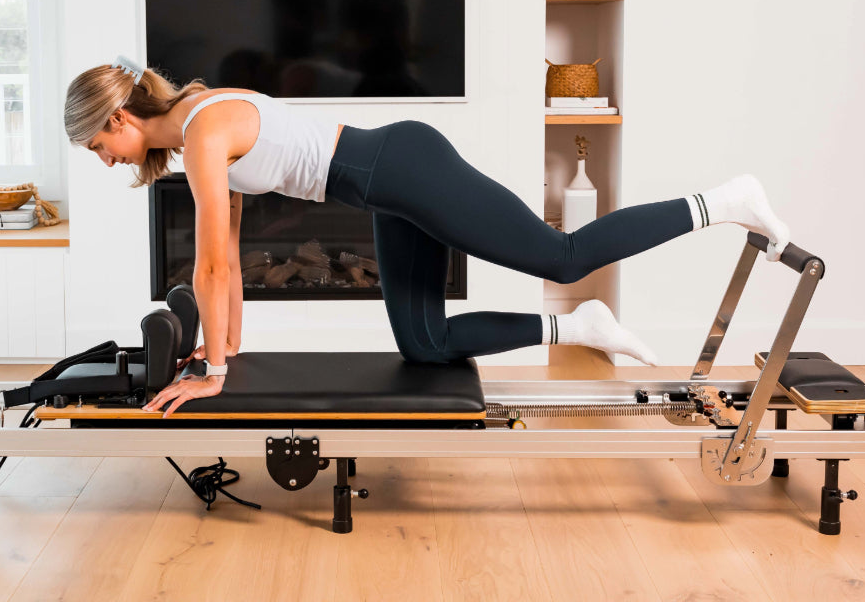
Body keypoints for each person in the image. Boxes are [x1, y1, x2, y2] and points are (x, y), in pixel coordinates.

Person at [64, 58, 791, 416]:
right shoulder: (198, 114)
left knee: (560, 255)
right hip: (383, 191)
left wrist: (214, 373)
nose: (106, 161)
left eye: (99, 146)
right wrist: (228, 349)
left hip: (402, 167)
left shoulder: (200, 129)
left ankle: (726, 199)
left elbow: (215, 264)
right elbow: (233, 247)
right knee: (426, 345)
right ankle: (577, 325)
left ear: (121, 119)